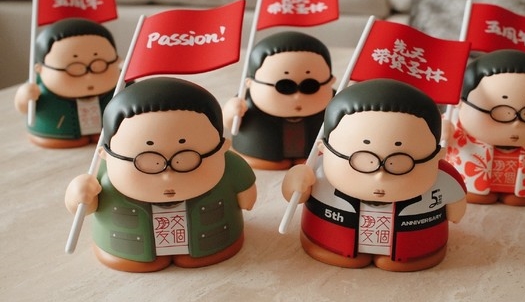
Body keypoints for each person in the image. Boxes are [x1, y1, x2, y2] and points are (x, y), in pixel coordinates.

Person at [65, 77, 257, 272]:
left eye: (186, 159)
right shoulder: (100, 178)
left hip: (216, 242)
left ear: (223, 148)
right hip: (125, 249)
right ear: (105, 154)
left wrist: (247, 195)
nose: (168, 176)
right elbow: (83, 208)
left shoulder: (230, 166)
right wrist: (78, 194)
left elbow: (246, 197)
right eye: (148, 161)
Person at [282, 79, 467, 271]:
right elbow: (294, 197)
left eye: (400, 162)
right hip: (330, 241)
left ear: (437, 156)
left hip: (415, 247)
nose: (380, 176)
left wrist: (455, 209)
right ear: (324, 149)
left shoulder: (444, 180)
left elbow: (456, 211)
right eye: (363, 160)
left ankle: (406, 258)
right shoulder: (316, 172)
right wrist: (295, 180)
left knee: (407, 259)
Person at [444, 50, 525, 206]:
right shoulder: (453, 123)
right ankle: (475, 192)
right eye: (501, 112)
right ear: (461, 103)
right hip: (469, 183)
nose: (516, 123)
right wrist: (443, 132)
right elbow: (435, 146)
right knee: (471, 192)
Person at [223, 31, 335, 169]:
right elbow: (230, 125)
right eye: (285, 86)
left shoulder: (335, 103)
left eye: (310, 86)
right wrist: (231, 112)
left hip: (316, 154)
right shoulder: (244, 103)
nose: (297, 96)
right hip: (259, 153)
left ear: (331, 81)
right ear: (250, 83)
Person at [14, 18, 120, 148]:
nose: (88, 76)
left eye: (99, 65)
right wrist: (24, 96)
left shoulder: (122, 83)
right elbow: (23, 107)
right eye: (75, 68)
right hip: (57, 132)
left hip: (109, 133)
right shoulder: (36, 86)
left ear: (117, 61)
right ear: (40, 69)